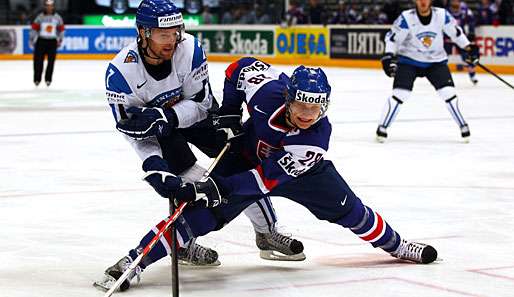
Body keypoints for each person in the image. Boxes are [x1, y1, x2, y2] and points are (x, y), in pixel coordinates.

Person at [96, 57, 439, 292]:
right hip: (246, 156)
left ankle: (397, 245)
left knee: (351, 211)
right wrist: (230, 112)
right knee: (196, 220)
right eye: (303, 106)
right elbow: (238, 69)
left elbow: (264, 182)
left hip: (303, 175)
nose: (308, 114)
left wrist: (214, 187)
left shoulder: (314, 140)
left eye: (316, 107)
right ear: (288, 98)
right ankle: (134, 262)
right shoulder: (267, 91)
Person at [94, 1, 305, 290]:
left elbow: (202, 105)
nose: (172, 40)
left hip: (195, 117)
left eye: (175, 32)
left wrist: (167, 115)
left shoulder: (189, 49)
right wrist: (154, 166)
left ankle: (267, 233)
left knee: (240, 167)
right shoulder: (120, 75)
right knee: (186, 181)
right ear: (143, 33)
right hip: (161, 133)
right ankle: (182, 243)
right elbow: (136, 132)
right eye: (162, 34)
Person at [376, 0, 479, 142]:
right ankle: (382, 126)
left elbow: (456, 33)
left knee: (448, 93)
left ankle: (463, 125)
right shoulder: (406, 17)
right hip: (409, 60)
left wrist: (469, 47)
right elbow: (392, 39)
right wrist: (388, 55)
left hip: (435, 61)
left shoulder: (442, 15)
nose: (423, 2)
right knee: (400, 94)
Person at [30, 0, 64, 87]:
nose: (49, 7)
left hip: (52, 42)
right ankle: (37, 79)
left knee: (51, 62)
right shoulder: (40, 17)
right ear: (45, 7)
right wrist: (32, 38)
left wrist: (60, 39)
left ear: (53, 7)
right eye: (47, 6)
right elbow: (34, 28)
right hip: (41, 41)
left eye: (51, 6)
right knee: (38, 62)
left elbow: (61, 29)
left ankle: (48, 79)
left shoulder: (57, 18)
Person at [448, 0, 478, 84]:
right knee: (441, 55)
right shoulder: (447, 11)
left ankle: (472, 75)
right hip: (448, 37)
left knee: (467, 56)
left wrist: (471, 32)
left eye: (457, 1)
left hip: (460, 37)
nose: (455, 3)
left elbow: (471, 21)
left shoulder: (465, 10)